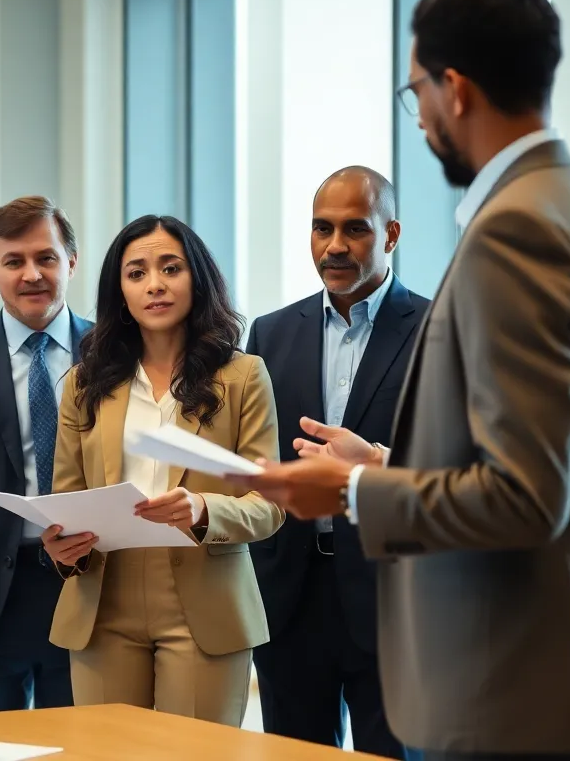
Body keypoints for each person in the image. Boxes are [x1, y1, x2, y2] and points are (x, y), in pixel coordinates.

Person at [231, 0, 570, 761]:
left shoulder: (517, 232)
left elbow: (527, 494)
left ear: (454, 89)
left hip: (511, 671)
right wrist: (386, 461)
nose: (424, 117)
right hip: (566, 660)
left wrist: (352, 487)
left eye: (418, 94)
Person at [42, 215, 283, 726]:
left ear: (196, 277)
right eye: (136, 273)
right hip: (102, 600)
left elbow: (270, 505)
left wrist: (202, 509)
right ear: (120, 291)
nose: (154, 284)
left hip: (205, 600)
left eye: (170, 268)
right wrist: (62, 548)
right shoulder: (85, 383)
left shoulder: (243, 376)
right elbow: (65, 498)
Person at [247, 166, 427, 758]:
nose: (335, 246)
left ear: (391, 234)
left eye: (356, 230)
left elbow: (456, 465)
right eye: (322, 229)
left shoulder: (440, 329)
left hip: (393, 595)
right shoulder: (270, 335)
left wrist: (376, 462)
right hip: (292, 596)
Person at [0, 196, 92, 710]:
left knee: (81, 746)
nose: (32, 275)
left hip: (85, 581)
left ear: (71, 261)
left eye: (46, 258)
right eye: (14, 261)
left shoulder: (114, 353)